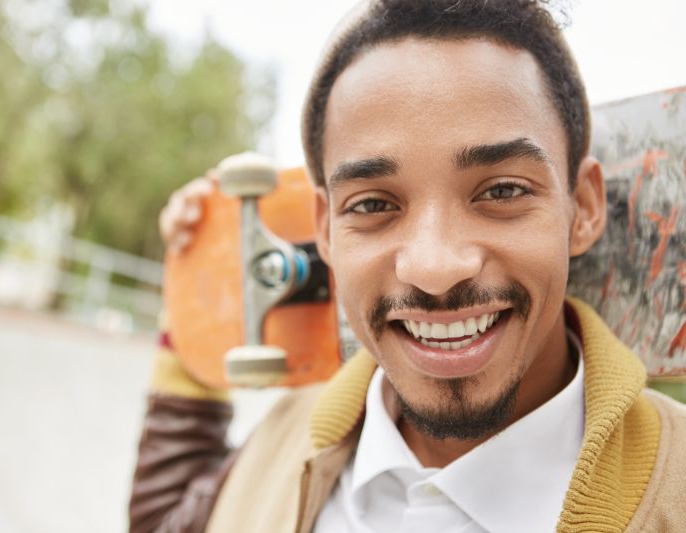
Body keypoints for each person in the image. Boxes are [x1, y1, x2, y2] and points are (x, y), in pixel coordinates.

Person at [129, 1, 686, 532]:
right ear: (325, 230)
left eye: (503, 190)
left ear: (583, 208)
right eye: (373, 204)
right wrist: (197, 285)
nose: (436, 268)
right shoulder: (283, 445)